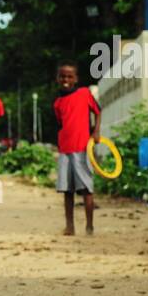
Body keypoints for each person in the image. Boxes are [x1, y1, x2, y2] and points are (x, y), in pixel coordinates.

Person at [53, 61, 101, 236]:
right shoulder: (57, 103)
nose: (66, 79)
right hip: (65, 150)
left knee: (86, 189)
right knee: (67, 190)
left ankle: (89, 226)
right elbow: (61, 125)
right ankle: (70, 226)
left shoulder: (84, 93)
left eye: (69, 76)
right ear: (58, 79)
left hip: (82, 148)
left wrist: (96, 131)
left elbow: (97, 111)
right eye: (62, 76)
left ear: (76, 79)